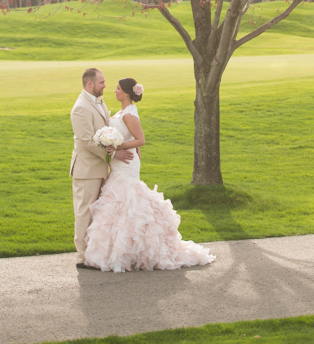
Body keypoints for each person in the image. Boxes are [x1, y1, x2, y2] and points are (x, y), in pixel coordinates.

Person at [82, 76, 216, 273]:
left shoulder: (129, 114)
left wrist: (115, 146)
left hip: (125, 163)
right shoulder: (123, 112)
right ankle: (119, 252)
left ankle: (128, 253)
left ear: (126, 93)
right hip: (121, 162)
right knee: (118, 203)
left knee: (127, 200)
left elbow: (140, 140)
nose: (114, 91)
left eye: (118, 88)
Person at [69, 67, 135, 268]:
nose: (105, 86)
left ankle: (94, 254)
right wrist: (114, 153)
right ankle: (82, 257)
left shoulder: (98, 100)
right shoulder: (80, 108)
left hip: (101, 168)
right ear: (90, 84)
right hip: (86, 170)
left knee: (97, 214)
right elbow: (87, 141)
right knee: (84, 213)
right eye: (101, 82)